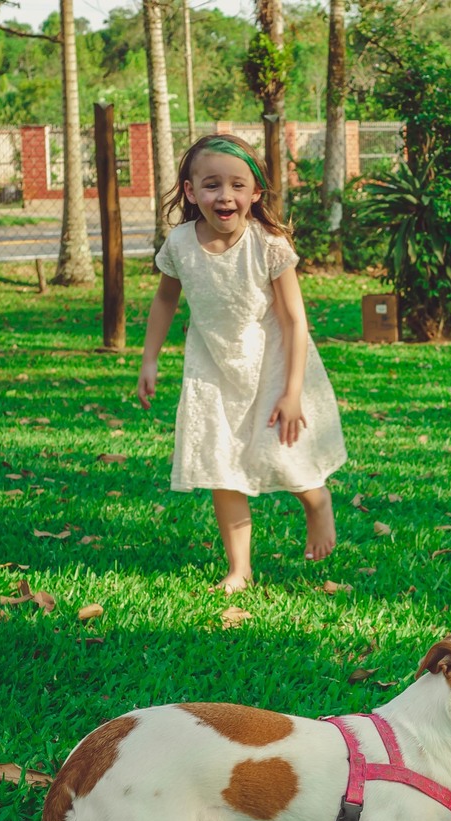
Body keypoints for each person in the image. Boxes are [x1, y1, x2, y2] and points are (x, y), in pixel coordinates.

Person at [137, 134, 347, 593]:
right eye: (211, 185)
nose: (224, 196)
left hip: (272, 360)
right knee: (220, 464)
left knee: (284, 454)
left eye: (237, 185)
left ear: (255, 193)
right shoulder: (179, 244)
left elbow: (294, 320)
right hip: (211, 367)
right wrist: (149, 359)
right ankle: (240, 569)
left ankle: (316, 502)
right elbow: (164, 300)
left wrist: (292, 393)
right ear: (191, 192)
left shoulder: (267, 243)